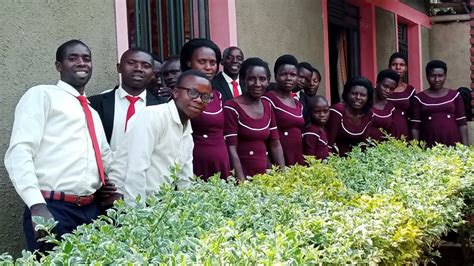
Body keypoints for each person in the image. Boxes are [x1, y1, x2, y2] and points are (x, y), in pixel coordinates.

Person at [4, 40, 113, 252]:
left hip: (90, 210)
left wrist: (113, 185)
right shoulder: (42, 95)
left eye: (86, 59)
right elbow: (20, 151)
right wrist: (36, 204)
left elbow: (106, 157)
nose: (81, 63)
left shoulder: (91, 111)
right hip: (52, 209)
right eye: (73, 58)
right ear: (58, 66)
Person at [110, 70, 212, 204]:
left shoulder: (187, 134)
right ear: (175, 93)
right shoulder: (154, 116)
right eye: (192, 92)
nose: (198, 100)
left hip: (155, 205)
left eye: (205, 97)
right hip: (126, 201)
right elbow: (136, 169)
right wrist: (136, 214)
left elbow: (185, 181)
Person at [89, 48, 168, 152]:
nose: (138, 68)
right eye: (131, 63)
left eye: (146, 66)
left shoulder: (164, 106)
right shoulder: (94, 104)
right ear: (119, 67)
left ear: (152, 72)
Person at [224, 57, 285, 181]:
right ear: (242, 80)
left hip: (264, 176)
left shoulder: (267, 105)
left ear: (268, 81)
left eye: (262, 79)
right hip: (242, 177)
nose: (257, 84)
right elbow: (231, 148)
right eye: (252, 79)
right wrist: (241, 182)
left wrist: (282, 176)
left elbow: (275, 143)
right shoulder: (231, 107)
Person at [180, 38, 231, 180]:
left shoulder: (219, 95)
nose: (208, 67)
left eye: (212, 63)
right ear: (189, 63)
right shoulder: (182, 96)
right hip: (194, 163)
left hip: (221, 161)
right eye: (202, 62)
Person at [411, 60, 468, 146]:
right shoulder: (419, 98)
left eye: (440, 76)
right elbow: (415, 127)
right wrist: (416, 148)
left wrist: (465, 147)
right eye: (432, 76)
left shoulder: (455, 96)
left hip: (453, 142)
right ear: (427, 76)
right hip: (428, 143)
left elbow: (462, 124)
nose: (437, 79)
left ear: (445, 76)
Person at [262, 54, 305, 166]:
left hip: (297, 159)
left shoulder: (297, 103)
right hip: (278, 161)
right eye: (283, 74)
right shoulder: (268, 100)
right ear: (275, 77)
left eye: (293, 74)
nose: (289, 78)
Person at [326, 76, 374, 156]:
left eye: (363, 95)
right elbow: (329, 143)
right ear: (347, 94)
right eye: (354, 94)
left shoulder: (369, 114)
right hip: (334, 159)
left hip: (354, 161)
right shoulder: (338, 110)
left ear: (368, 97)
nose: (358, 98)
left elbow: (363, 144)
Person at [387, 52, 416, 139]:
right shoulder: (380, 89)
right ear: (389, 67)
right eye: (394, 64)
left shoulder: (410, 90)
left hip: (404, 131)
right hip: (384, 129)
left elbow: (414, 116)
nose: (398, 68)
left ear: (406, 68)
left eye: (402, 65)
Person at [369, 69, 400, 141]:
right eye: (385, 86)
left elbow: (391, 134)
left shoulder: (390, 109)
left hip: (379, 149)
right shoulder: (364, 100)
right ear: (377, 83)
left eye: (392, 89)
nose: (387, 91)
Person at [302, 96, 330, 160]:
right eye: (317, 112)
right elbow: (309, 158)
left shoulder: (322, 129)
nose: (322, 115)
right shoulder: (311, 132)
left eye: (325, 111)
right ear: (310, 113)